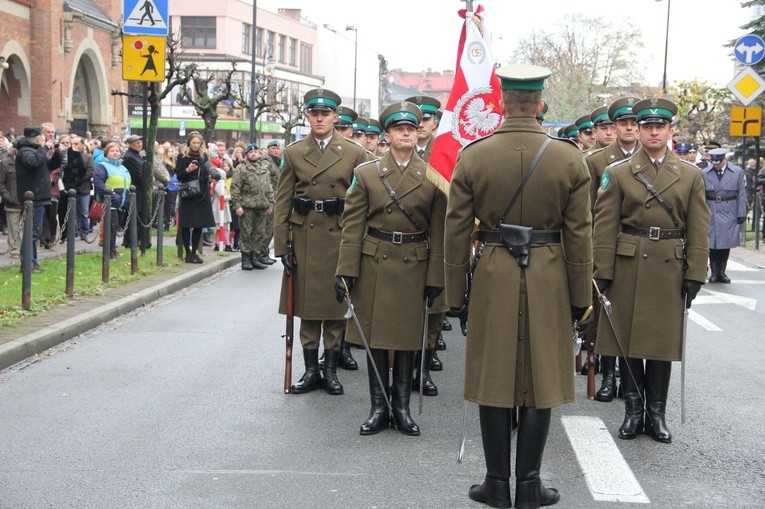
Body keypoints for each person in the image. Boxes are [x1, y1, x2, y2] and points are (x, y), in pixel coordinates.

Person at [445, 64, 592, 509]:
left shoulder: (474, 155)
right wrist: (581, 297)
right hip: (549, 273)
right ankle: (529, 484)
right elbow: (580, 234)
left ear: (502, 103)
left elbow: (454, 230)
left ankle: (495, 483)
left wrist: (455, 295)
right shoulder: (569, 157)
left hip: (493, 270)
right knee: (541, 375)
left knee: (494, 375)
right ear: (540, 103)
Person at [593, 98, 710, 444]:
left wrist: (695, 272)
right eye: (647, 126)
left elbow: (699, 228)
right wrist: (602, 271)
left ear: (671, 131)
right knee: (626, 340)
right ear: (639, 131)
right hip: (629, 261)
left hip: (669, 265)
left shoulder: (691, 176)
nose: (653, 131)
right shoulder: (617, 173)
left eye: (660, 126)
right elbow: (604, 226)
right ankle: (632, 411)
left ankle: (656, 414)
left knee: (661, 344)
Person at [335, 101, 448, 436]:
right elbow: (351, 227)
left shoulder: (432, 176)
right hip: (375, 262)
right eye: (399, 129)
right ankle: (378, 407)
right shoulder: (366, 174)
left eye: (411, 128)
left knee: (408, 339)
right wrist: (345, 272)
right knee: (376, 339)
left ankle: (402, 408)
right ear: (386, 135)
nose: (406, 133)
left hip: (415, 262)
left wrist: (437, 276)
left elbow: (439, 230)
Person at [273, 88, 371, 396]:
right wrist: (281, 245)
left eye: (325, 113)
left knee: (335, 306)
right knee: (307, 306)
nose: (319, 118)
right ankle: (310, 370)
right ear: (307, 117)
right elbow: (282, 201)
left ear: (335, 117)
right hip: (304, 237)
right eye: (313, 113)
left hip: (339, 234)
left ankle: (329, 371)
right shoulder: (292, 152)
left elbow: (364, 199)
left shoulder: (354, 153)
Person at [584, 97, 639, 401]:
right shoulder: (596, 161)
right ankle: (607, 375)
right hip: (604, 245)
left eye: (634, 123)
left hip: (636, 247)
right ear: (615, 126)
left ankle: (627, 377)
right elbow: (587, 209)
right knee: (605, 313)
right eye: (624, 123)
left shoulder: (647, 159)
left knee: (630, 313)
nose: (630, 128)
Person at [407, 94, 450, 382]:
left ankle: (423, 366)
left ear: (435, 122)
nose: (420, 125)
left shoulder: (447, 152)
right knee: (407, 305)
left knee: (434, 308)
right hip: (408, 240)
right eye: (416, 119)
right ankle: (405, 365)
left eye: (425, 119)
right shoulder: (402, 151)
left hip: (439, 237)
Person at [15, 127, 61, 270]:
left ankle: (32, 262)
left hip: (40, 196)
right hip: (33, 198)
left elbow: (50, 165)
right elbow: (33, 163)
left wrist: (57, 154)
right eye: (41, 137)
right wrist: (44, 148)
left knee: (35, 231)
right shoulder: (25, 151)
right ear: (36, 138)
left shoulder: (35, 151)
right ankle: (27, 264)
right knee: (33, 232)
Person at [703, 148, 746, 283]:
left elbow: (741, 194)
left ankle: (722, 272)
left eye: (718, 162)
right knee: (712, 242)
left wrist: (741, 212)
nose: (715, 165)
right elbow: (701, 195)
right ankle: (714, 272)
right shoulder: (704, 173)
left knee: (725, 242)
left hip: (729, 208)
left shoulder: (737, 172)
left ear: (724, 159)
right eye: (713, 162)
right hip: (711, 208)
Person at [176, 132, 216, 263]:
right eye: (193, 142)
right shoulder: (182, 156)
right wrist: (188, 170)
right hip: (188, 193)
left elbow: (205, 172)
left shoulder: (204, 156)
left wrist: (210, 177)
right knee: (187, 224)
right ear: (189, 143)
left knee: (199, 224)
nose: (196, 145)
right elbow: (179, 176)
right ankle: (188, 253)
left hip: (201, 193)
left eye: (198, 143)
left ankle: (194, 252)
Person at [230, 144, 273, 270]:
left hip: (262, 206)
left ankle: (255, 257)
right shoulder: (241, 169)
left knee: (259, 233)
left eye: (256, 152)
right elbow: (235, 188)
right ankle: (246, 258)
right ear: (246, 154)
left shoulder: (264, 168)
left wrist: (271, 203)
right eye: (251, 152)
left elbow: (268, 188)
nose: (254, 154)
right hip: (247, 206)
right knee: (246, 233)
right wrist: (237, 205)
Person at [93, 142, 131, 260]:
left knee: (116, 227)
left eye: (117, 151)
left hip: (122, 202)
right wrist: (112, 194)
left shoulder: (122, 167)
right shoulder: (102, 166)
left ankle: (112, 250)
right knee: (111, 227)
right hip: (110, 201)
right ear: (107, 153)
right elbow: (99, 183)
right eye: (112, 151)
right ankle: (109, 251)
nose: (115, 153)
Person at [61, 135, 94, 239]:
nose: (73, 146)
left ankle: (84, 231)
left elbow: (90, 170)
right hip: (71, 189)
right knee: (72, 211)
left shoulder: (87, 157)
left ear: (82, 145)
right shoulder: (67, 156)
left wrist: (79, 179)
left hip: (84, 188)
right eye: (72, 144)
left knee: (84, 211)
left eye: (76, 144)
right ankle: (74, 231)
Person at [122, 134, 146, 248]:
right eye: (137, 143)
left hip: (139, 189)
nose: (140, 144)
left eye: (140, 142)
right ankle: (130, 241)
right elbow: (138, 175)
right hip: (136, 189)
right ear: (131, 144)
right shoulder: (130, 157)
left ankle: (136, 239)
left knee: (138, 215)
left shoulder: (137, 155)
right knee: (133, 216)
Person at [0, 147, 21, 258]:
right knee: (14, 226)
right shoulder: (5, 163)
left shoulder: (27, 163)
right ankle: (15, 248)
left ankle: (26, 247)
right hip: (12, 200)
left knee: (27, 226)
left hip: (27, 199)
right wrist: (7, 197)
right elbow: (1, 182)